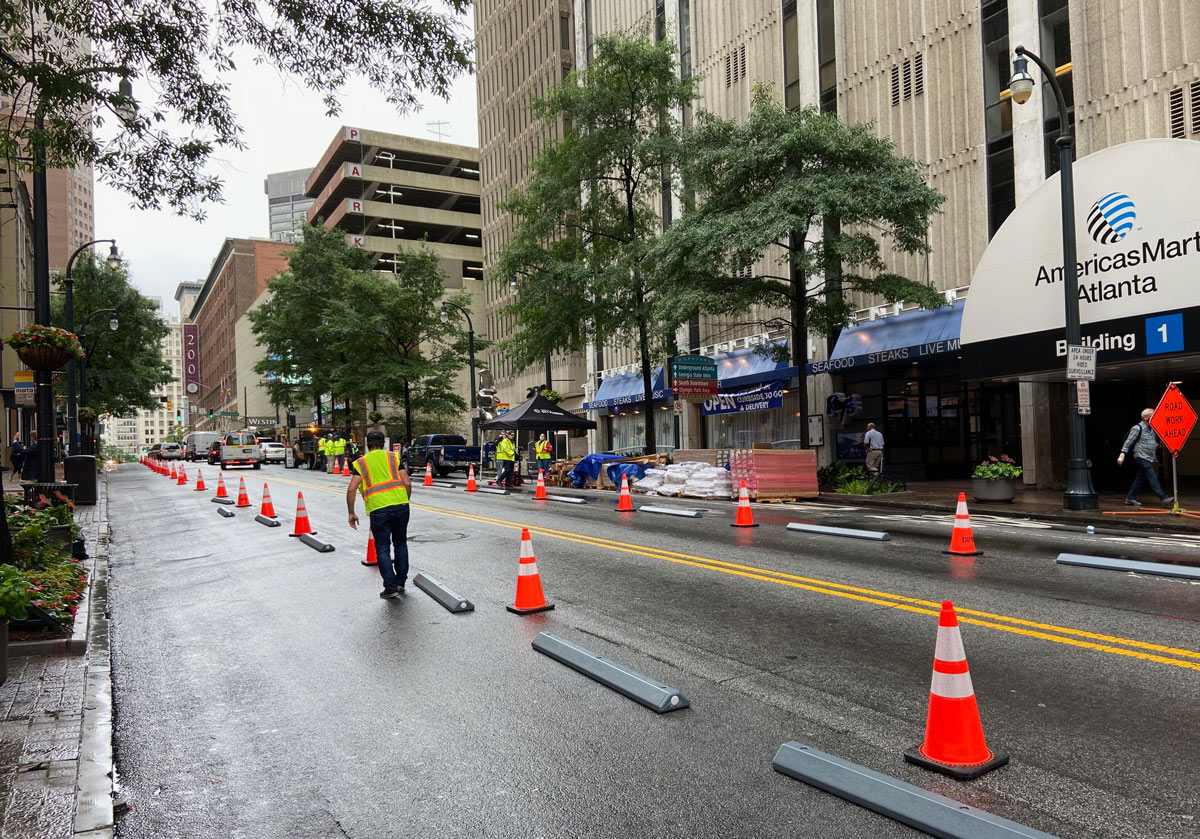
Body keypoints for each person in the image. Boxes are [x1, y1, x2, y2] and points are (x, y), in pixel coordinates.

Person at [347, 429, 412, 599]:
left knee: (382, 548)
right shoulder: (394, 458)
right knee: (400, 543)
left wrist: (351, 512)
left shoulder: (361, 463)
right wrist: (405, 500)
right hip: (401, 506)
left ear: (367, 444)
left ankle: (390, 587)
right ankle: (401, 582)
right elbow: (407, 483)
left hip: (378, 509)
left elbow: (352, 489)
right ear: (384, 444)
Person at [1118, 408, 1173, 507]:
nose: (1153, 419)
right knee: (1152, 475)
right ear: (1145, 418)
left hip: (1149, 457)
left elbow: (1150, 442)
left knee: (1140, 478)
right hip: (1141, 456)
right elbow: (1128, 442)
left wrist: (1158, 445)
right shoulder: (1137, 428)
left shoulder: (1152, 428)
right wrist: (1122, 455)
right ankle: (1163, 498)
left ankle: (1130, 498)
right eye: (1151, 417)